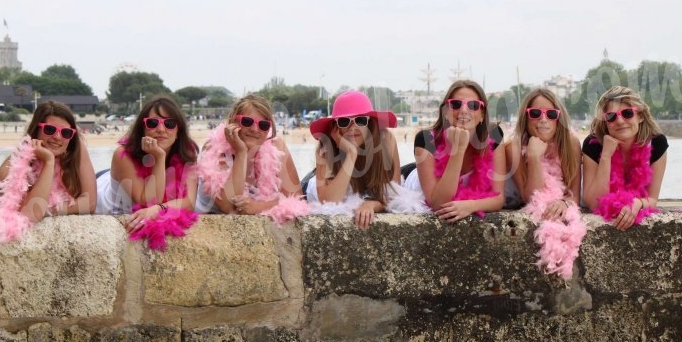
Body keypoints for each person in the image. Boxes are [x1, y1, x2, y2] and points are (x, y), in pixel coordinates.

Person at [96, 96, 199, 250]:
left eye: (169, 123)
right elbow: (148, 201)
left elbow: (188, 203)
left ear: (178, 132)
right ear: (142, 128)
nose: (161, 129)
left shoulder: (187, 154)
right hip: (105, 192)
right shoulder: (122, 155)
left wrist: (159, 209)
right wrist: (159, 157)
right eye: (152, 123)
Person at [0, 101, 96, 243]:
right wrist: (49, 161)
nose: (58, 137)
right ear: (36, 130)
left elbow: (90, 203)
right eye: (50, 130)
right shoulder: (12, 167)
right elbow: (33, 213)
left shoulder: (77, 149)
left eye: (66, 132)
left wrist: (51, 209)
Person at [507, 88, 584, 280]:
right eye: (535, 114)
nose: (543, 119)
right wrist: (534, 157)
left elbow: (574, 194)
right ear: (526, 117)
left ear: (559, 118)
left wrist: (565, 203)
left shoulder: (571, 143)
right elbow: (530, 196)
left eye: (551, 114)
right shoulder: (513, 147)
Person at [197, 94, 307, 222]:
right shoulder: (214, 147)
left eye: (264, 125)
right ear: (233, 122)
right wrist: (241, 152)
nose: (255, 129)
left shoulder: (277, 147)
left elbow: (298, 200)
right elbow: (227, 206)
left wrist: (258, 207)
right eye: (247, 122)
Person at [407, 80, 505, 221]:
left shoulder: (494, 136)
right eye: (456, 104)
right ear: (446, 111)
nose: (464, 110)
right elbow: (438, 204)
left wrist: (470, 206)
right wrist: (458, 150)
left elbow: (498, 198)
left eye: (473, 105)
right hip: (415, 180)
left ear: (482, 114)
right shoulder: (425, 140)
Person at [306, 90, 401, 230]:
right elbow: (329, 202)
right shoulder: (326, 149)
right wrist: (351, 154)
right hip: (316, 188)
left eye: (360, 120)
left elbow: (395, 192)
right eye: (344, 122)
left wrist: (372, 204)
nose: (353, 128)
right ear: (336, 127)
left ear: (369, 123)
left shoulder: (386, 140)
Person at [582, 86, 668, 230]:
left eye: (627, 113)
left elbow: (652, 199)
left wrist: (638, 203)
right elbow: (594, 204)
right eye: (611, 116)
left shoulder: (657, 143)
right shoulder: (593, 146)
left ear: (640, 116)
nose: (620, 121)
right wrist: (606, 156)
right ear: (605, 121)